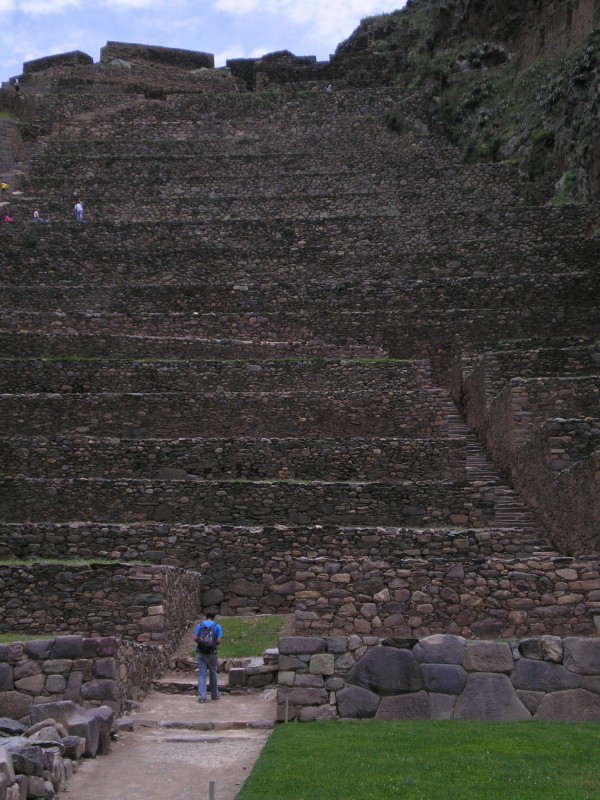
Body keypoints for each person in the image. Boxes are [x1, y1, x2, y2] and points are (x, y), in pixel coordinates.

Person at [194, 611, 222, 703]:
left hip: (201, 653)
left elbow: (194, 637)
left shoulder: (200, 625)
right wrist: (213, 644)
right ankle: (214, 695)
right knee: (213, 673)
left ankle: (202, 697)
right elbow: (219, 640)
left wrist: (201, 644)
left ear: (206, 617)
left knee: (201, 675)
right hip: (212, 653)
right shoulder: (217, 626)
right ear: (214, 617)